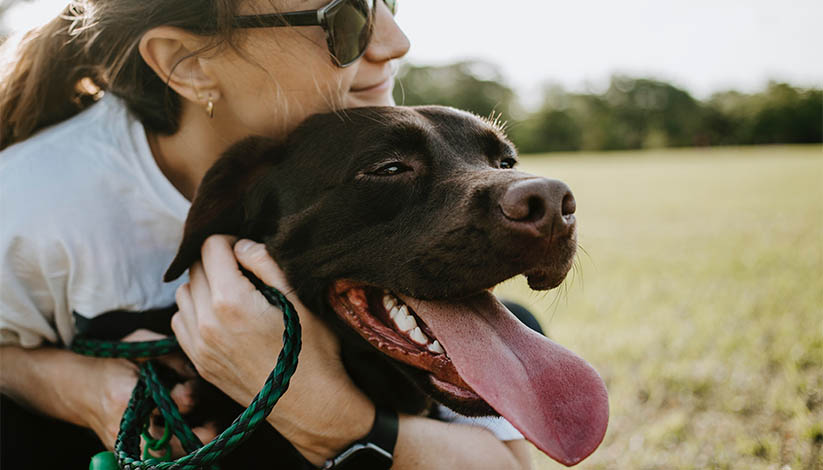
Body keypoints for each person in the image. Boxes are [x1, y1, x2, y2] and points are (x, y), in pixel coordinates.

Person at [0, 0, 534, 468]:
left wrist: (318, 407)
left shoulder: (362, 149)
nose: (395, 40)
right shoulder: (27, 204)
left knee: (516, 321)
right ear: (187, 64)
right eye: (343, 18)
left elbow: (504, 465)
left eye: (386, 0)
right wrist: (82, 390)